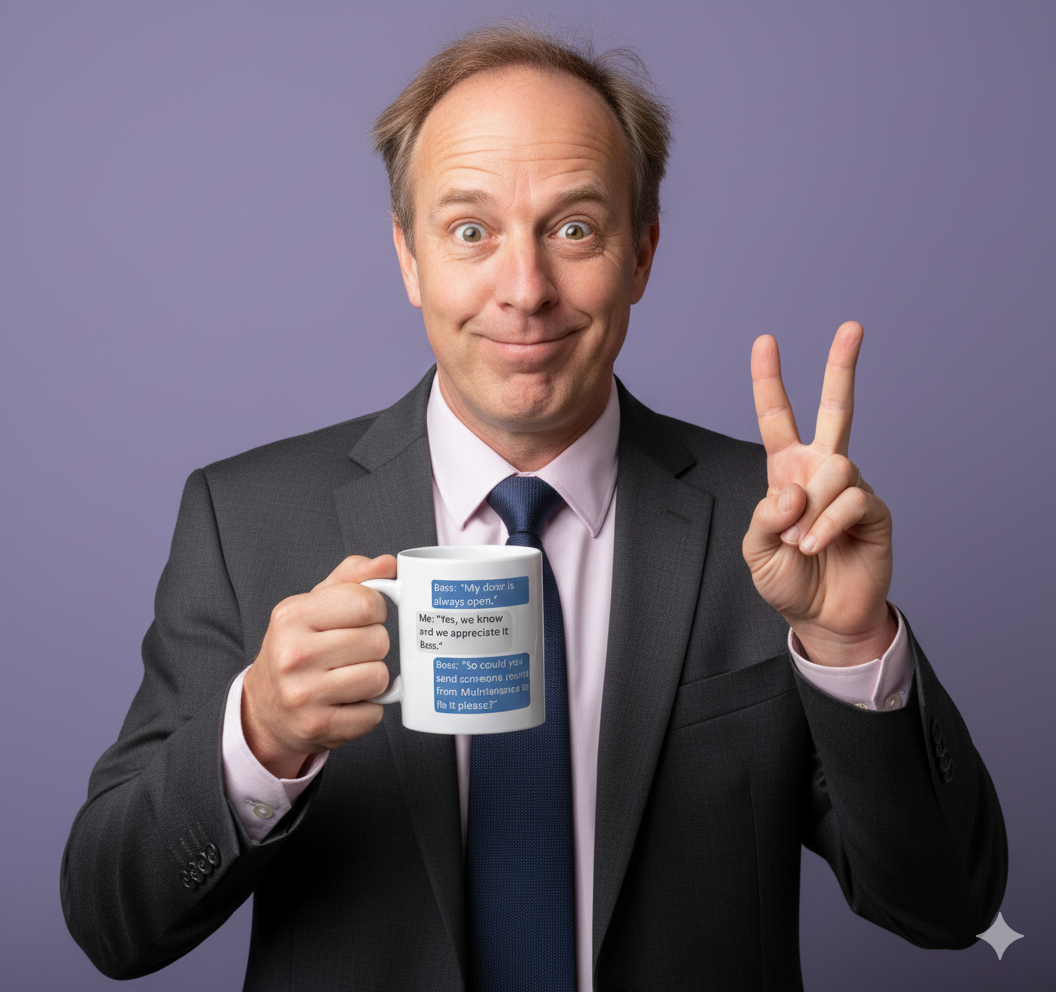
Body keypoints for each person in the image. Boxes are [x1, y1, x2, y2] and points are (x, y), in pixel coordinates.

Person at [62, 24, 1006, 991]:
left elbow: (949, 907)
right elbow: (111, 923)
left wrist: (852, 648)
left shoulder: (770, 527)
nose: (525, 291)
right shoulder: (247, 519)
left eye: (574, 229)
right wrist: (258, 737)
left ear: (639, 256)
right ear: (409, 258)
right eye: (471, 230)